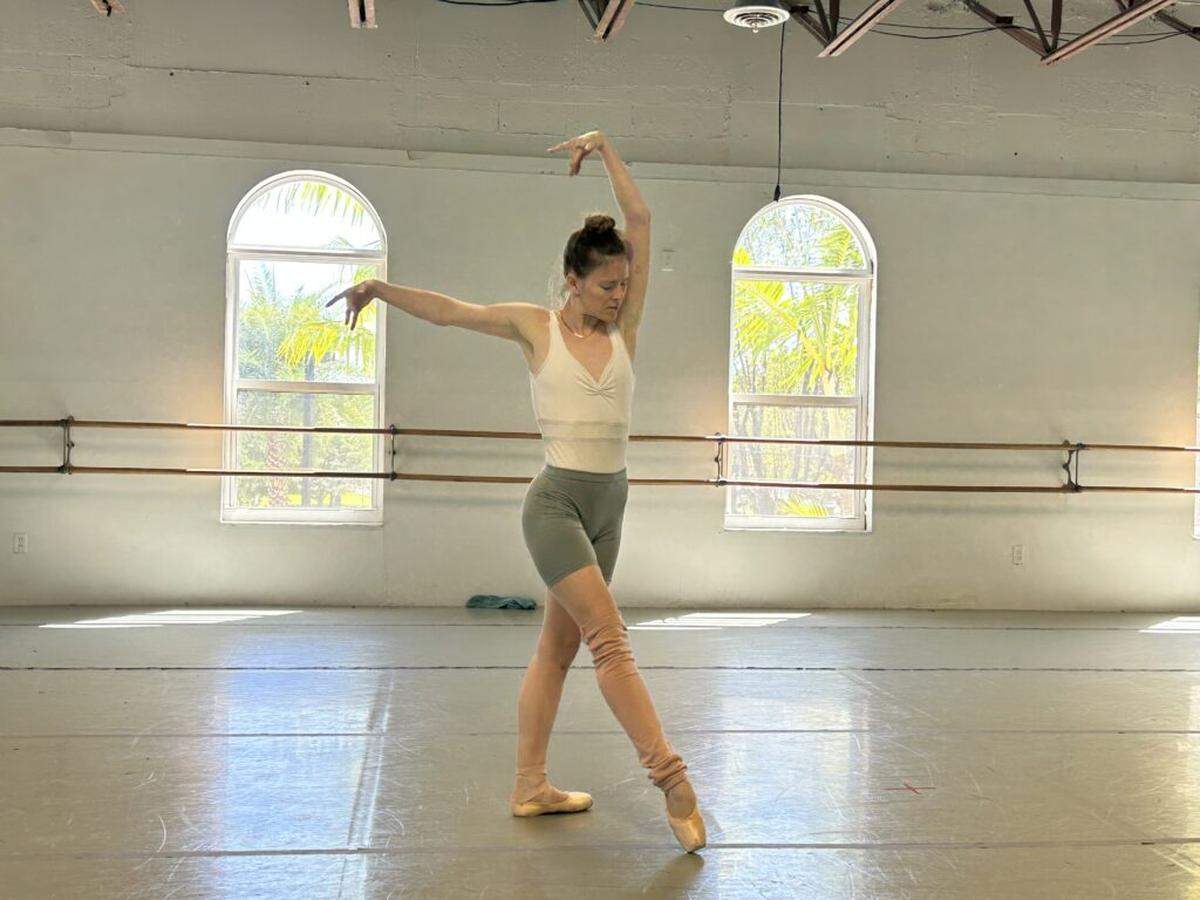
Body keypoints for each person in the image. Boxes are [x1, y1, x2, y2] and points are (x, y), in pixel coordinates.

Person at [327, 130, 706, 853]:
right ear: (572, 280)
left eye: (623, 284)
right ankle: (673, 780)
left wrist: (605, 148)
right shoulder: (537, 329)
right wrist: (378, 288)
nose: (619, 295)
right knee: (610, 641)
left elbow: (641, 219)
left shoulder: (625, 329)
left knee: (557, 652)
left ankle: (531, 786)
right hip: (556, 506)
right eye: (606, 285)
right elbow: (451, 311)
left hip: (611, 506)